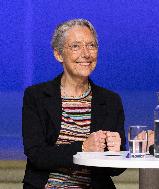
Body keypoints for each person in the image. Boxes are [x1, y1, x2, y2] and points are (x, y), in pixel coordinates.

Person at [22, 19, 126, 189]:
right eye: (76, 46)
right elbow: (36, 154)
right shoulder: (36, 96)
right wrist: (83, 147)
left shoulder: (111, 101)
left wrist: (116, 153)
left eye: (91, 45)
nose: (86, 54)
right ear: (58, 54)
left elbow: (114, 170)